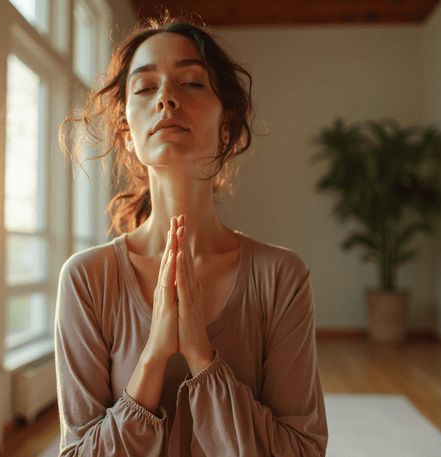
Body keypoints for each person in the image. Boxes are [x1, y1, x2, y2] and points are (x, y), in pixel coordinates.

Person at [55, 13, 328, 457]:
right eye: (145, 88)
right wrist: (154, 357)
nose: (166, 98)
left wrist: (203, 357)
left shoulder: (282, 277)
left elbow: (303, 451)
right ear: (126, 132)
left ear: (226, 124)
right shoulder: (86, 279)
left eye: (192, 83)